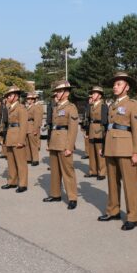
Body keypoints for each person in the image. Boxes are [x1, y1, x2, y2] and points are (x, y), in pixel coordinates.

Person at [97, 72, 137, 230]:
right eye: (114, 84)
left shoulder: (133, 105)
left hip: (126, 149)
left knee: (130, 185)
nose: (114, 87)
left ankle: (132, 217)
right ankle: (113, 210)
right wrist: (104, 146)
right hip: (111, 148)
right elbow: (108, 128)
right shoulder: (112, 105)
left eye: (118, 84)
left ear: (127, 87)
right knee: (112, 182)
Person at [43, 81, 79, 210]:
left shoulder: (71, 107)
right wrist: (49, 142)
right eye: (56, 91)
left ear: (66, 93)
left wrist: (69, 147)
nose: (57, 93)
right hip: (54, 142)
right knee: (55, 171)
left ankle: (72, 197)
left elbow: (73, 129)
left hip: (64, 143)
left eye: (59, 91)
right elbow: (53, 127)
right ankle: (55, 194)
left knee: (68, 172)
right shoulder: (56, 107)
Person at [1, 86, 29, 193]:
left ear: (16, 96)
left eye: (10, 95)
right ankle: (12, 181)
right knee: (11, 162)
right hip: (10, 136)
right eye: (7, 95)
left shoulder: (21, 108)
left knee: (21, 163)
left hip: (17, 137)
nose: (8, 97)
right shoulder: (9, 108)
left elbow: (23, 126)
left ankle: (23, 184)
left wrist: (21, 141)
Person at [85, 86, 107, 180]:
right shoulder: (91, 106)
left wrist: (103, 133)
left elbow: (105, 121)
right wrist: (87, 131)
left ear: (100, 95)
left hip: (99, 130)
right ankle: (92, 171)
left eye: (94, 93)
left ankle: (101, 172)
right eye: (92, 93)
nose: (92, 95)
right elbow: (88, 119)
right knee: (92, 151)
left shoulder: (103, 106)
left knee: (99, 151)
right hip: (91, 129)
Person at [25, 92, 43, 166]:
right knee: (27, 144)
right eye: (28, 99)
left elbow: (37, 119)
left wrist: (36, 130)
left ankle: (35, 159)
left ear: (33, 100)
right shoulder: (27, 107)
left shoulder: (35, 107)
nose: (29, 100)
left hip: (32, 126)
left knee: (33, 144)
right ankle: (29, 158)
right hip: (27, 127)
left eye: (30, 99)